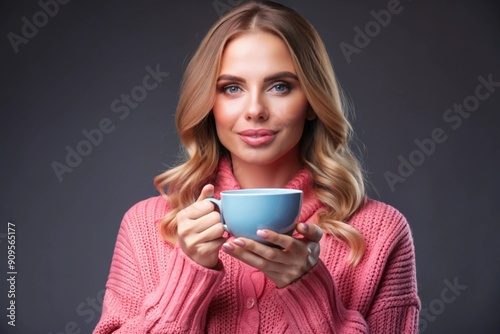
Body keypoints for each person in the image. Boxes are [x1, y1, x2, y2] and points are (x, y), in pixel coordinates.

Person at [94, 1, 420, 333]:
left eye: (280, 86)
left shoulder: (380, 232)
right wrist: (187, 276)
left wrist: (309, 291)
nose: (255, 110)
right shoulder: (147, 226)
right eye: (231, 88)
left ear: (311, 101)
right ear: (209, 103)